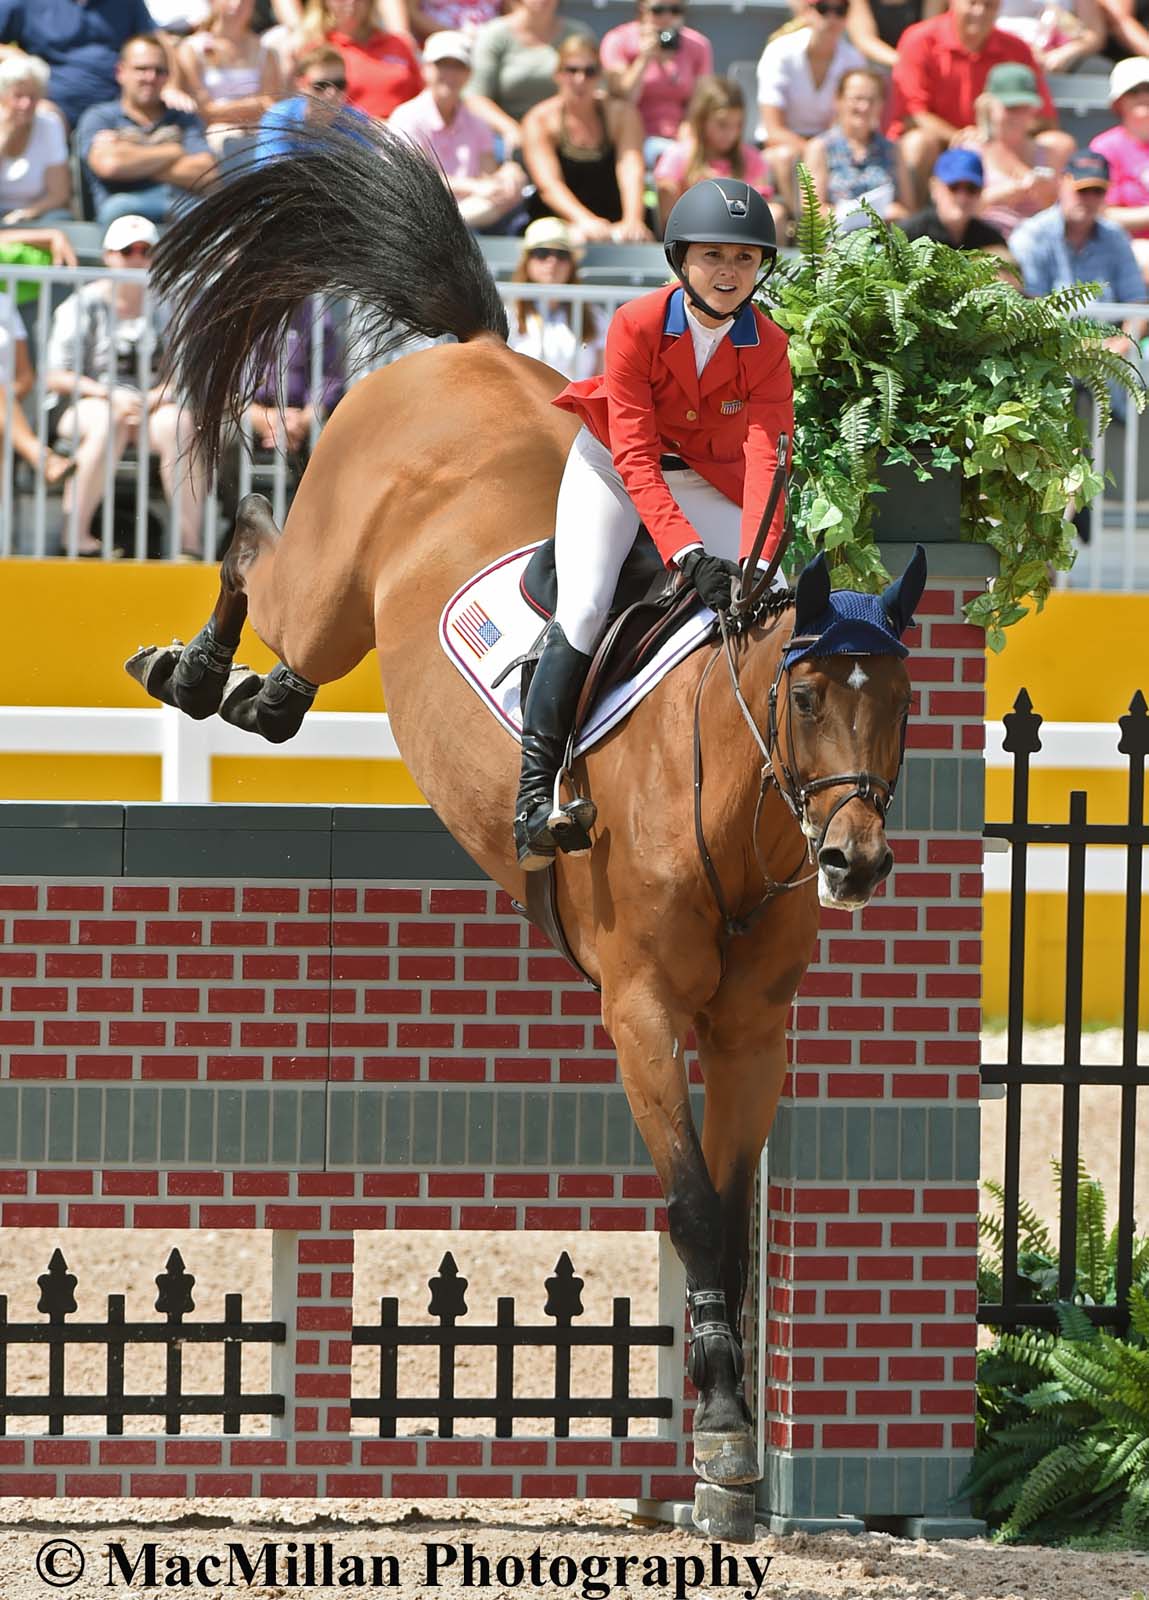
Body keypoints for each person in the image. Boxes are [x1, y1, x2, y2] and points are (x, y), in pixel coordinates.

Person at [510, 177, 791, 867]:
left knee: (777, 603)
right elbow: (634, 456)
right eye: (713, 256)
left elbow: (765, 457)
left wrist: (756, 562)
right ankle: (531, 799)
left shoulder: (768, 344)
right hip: (611, 465)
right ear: (680, 260)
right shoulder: (636, 322)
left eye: (744, 259)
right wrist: (689, 557)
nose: (728, 273)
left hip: (704, 477)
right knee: (583, 606)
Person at [44, 215, 209, 558]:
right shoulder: (80, 305)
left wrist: (150, 399)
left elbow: (182, 373)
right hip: (88, 403)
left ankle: (188, 547)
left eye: (145, 250)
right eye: (127, 250)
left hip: (151, 406)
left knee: (179, 424)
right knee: (107, 421)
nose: (136, 258)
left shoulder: (169, 307)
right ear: (108, 255)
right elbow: (56, 376)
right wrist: (109, 396)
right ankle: (74, 539)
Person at [887, 0, 1064, 209]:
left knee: (1056, 142)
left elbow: (1045, 119)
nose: (980, 11)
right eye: (972, 3)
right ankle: (913, 229)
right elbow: (913, 115)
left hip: (995, 147)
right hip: (941, 146)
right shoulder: (920, 39)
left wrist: (997, 135)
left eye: (989, 5)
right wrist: (961, 138)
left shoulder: (1016, 48)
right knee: (918, 143)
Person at [389, 30, 528, 231]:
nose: (450, 75)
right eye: (442, 65)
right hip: (416, 215)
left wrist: (507, 175)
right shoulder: (407, 117)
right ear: (425, 69)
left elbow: (487, 173)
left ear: (468, 74)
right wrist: (477, 186)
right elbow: (412, 180)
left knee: (513, 188)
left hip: (467, 213)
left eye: (458, 67)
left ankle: (452, 228)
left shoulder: (476, 122)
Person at [520, 33, 651, 240]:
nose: (580, 79)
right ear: (557, 74)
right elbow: (549, 186)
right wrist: (585, 221)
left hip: (615, 216)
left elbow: (631, 169)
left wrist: (633, 220)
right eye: (571, 70)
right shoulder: (539, 120)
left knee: (641, 238)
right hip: (561, 221)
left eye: (589, 72)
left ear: (599, 76)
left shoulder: (622, 115)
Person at [77, 34, 216, 226]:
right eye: (141, 69)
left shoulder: (184, 118)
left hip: (182, 204)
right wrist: (173, 151)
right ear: (120, 72)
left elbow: (207, 173)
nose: (150, 77)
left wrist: (131, 157)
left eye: (159, 71)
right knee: (118, 209)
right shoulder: (99, 116)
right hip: (124, 208)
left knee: (215, 220)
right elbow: (110, 164)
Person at [0, 0, 157, 130]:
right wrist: (16, 57)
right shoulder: (25, 3)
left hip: (117, 110)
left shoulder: (128, 3)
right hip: (50, 107)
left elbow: (156, 43)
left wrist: (171, 85)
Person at [655, 76, 782, 233]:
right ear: (702, 120)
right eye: (722, 124)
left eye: (738, 125)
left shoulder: (751, 158)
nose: (731, 133)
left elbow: (761, 207)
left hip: (743, 236)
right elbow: (668, 210)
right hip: (696, 236)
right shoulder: (678, 155)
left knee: (776, 213)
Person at [600, 0, 714, 168]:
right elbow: (624, 98)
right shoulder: (618, 40)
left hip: (679, 139)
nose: (667, 17)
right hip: (630, 139)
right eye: (658, 10)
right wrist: (644, 58)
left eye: (675, 10)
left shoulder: (698, 45)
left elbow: (699, 104)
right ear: (642, 9)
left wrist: (686, 141)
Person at [957, 61, 1061, 235]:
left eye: (1025, 108)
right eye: (1011, 108)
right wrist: (998, 196)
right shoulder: (971, 150)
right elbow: (956, 209)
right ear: (990, 106)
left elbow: (1061, 215)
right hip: (985, 246)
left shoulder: (1047, 151)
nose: (1018, 117)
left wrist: (1047, 195)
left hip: (1038, 245)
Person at [805, 66, 912, 221]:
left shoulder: (893, 150)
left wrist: (894, 212)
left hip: (884, 237)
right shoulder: (820, 148)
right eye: (857, 99)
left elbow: (908, 209)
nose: (864, 107)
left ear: (881, 104)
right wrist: (853, 216)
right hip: (837, 239)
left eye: (871, 100)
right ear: (839, 100)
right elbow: (812, 211)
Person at [176, 0, 283, 154]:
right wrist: (253, 104)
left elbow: (270, 104)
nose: (238, 3)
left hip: (261, 129)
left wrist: (223, 110)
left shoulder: (265, 50)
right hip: (215, 134)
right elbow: (204, 111)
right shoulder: (191, 48)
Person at [506, 216, 605, 376]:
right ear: (527, 261)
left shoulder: (594, 317)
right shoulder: (508, 314)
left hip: (576, 401)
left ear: (572, 265)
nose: (552, 261)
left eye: (562, 255)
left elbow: (601, 375)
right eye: (541, 253)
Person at [248, 301, 344, 460]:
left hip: (304, 417)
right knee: (196, 430)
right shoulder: (243, 308)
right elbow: (228, 393)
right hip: (247, 415)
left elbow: (328, 381)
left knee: (338, 441)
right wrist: (267, 418)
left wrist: (301, 422)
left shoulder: (316, 312)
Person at [0, 286, 74, 488]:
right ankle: (43, 458)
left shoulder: (4, 304)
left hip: (8, 407)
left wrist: (5, 399)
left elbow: (25, 377)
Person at [295, 0, 422, 118]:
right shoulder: (317, 49)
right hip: (347, 136)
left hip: (405, 133)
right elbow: (307, 108)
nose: (351, 2)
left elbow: (422, 96)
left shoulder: (399, 43)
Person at [469, 0, 584, 126]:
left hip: (563, 132)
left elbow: (596, 92)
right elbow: (476, 98)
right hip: (505, 137)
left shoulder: (578, 35)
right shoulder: (493, 34)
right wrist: (511, 129)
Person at [1091, 57, 1149, 284]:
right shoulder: (1105, 147)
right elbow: (1101, 212)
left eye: (1148, 89)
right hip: (1121, 244)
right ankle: (1137, 321)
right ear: (1119, 101)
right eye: (1134, 91)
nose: (1144, 96)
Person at [255, 44, 365, 160]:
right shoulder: (278, 118)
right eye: (321, 85)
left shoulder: (356, 122)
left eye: (339, 84)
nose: (332, 93)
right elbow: (275, 174)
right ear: (301, 85)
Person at [0, 55, 72, 224]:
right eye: (18, 96)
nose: (26, 104)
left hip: (37, 213)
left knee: (61, 219)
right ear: (2, 96)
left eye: (32, 97)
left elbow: (59, 194)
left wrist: (25, 214)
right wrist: (7, 134)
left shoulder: (50, 124)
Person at [901, 145, 1010, 244]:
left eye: (971, 189)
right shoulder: (908, 235)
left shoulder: (991, 241)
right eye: (953, 187)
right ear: (934, 187)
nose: (962, 197)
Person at [844, 0, 945, 71]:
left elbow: (928, 33)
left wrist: (911, 64)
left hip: (919, 63)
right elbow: (864, 39)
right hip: (875, 66)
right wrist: (903, 62)